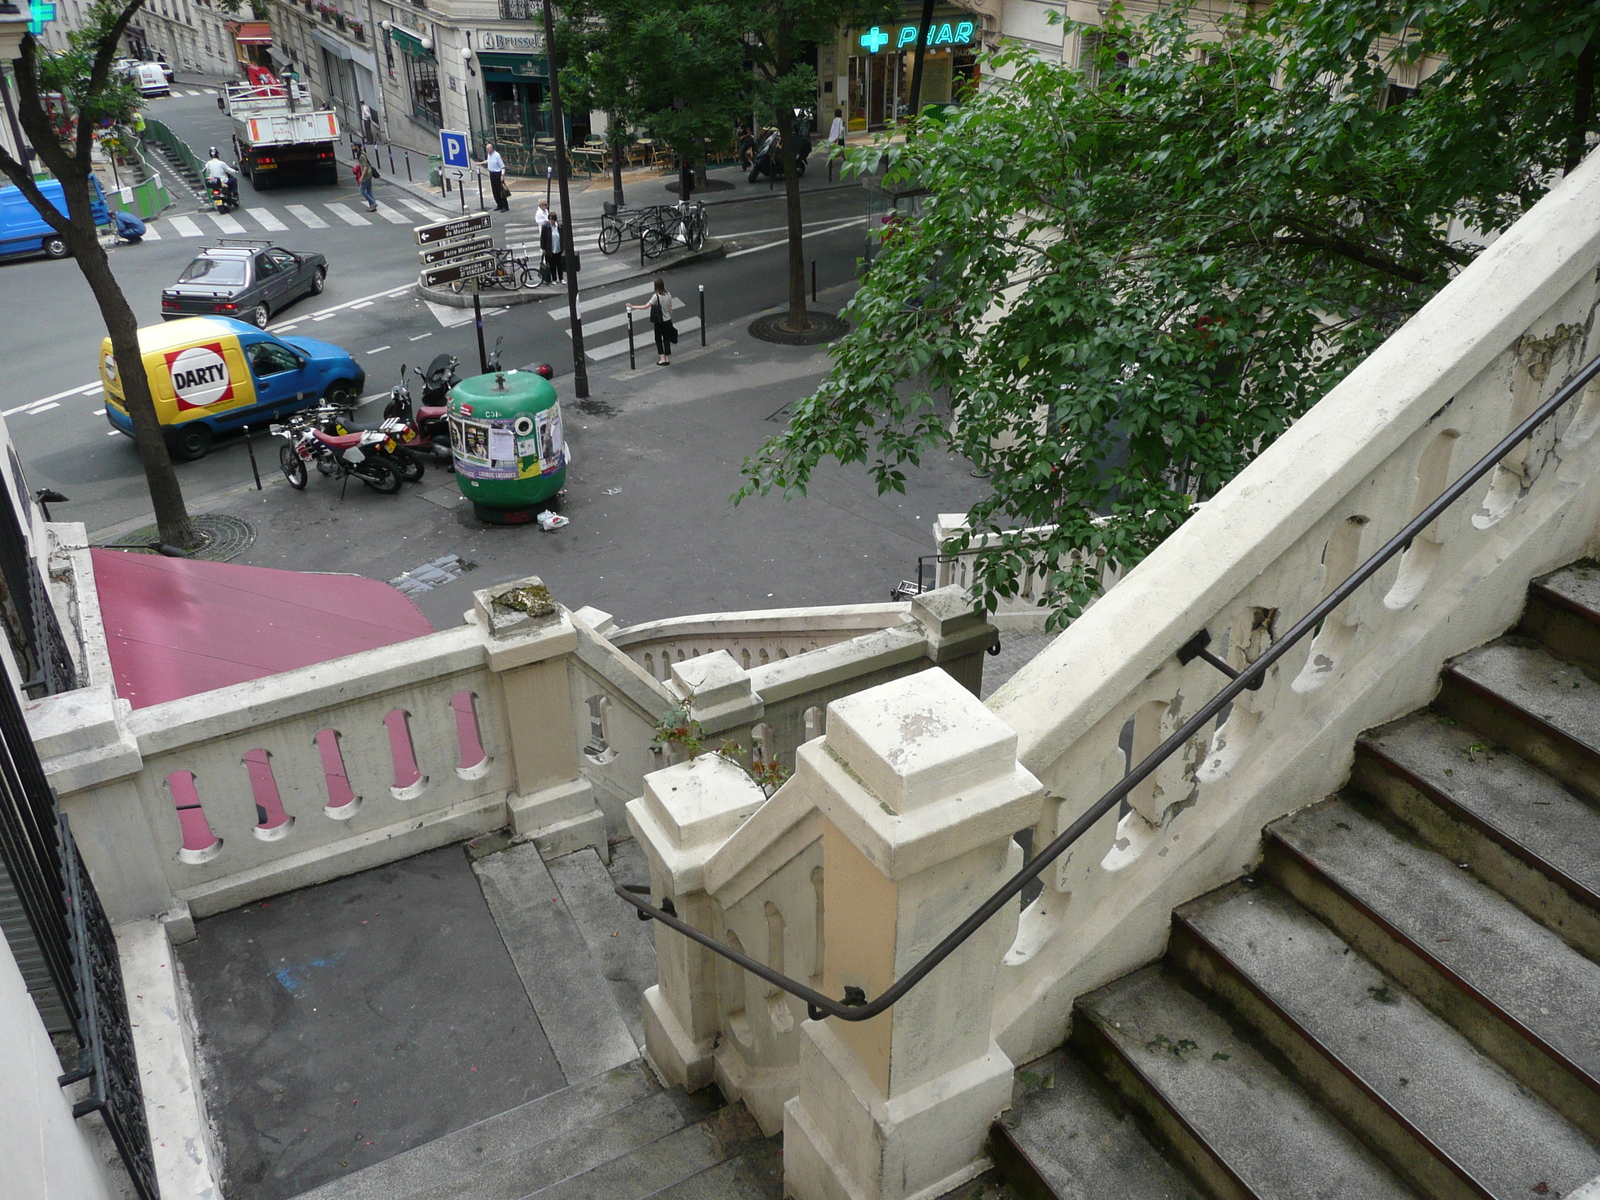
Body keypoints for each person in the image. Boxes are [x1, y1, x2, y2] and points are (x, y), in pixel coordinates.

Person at [627, 277, 677, 366]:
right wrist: (669, 317)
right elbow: (670, 308)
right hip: (667, 321)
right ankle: (667, 358)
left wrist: (633, 306)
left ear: (656, 287)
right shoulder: (668, 295)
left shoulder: (656, 297)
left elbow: (645, 306)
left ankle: (662, 359)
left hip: (659, 322)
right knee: (666, 339)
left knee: (658, 339)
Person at [482, 142, 508, 212]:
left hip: (497, 174)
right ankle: (499, 205)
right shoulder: (489, 155)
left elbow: (502, 166)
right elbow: (489, 161)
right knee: (494, 190)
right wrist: (481, 163)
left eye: (488, 149)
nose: (486, 150)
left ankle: (505, 206)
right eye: (486, 149)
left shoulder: (497, 155)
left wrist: (502, 176)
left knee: (500, 191)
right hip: (492, 173)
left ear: (491, 149)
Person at [540, 213, 564, 283]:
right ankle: (554, 279)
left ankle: (561, 278)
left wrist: (563, 247)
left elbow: (562, 237)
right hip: (550, 249)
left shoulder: (559, 227)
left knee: (559, 264)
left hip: (558, 248)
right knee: (552, 265)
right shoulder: (546, 227)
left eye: (552, 219)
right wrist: (543, 248)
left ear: (555, 220)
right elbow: (542, 238)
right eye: (549, 219)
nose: (550, 221)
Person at [354, 142, 378, 211]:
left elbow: (365, 167)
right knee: (369, 190)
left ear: (357, 147)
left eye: (353, 146)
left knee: (361, 190)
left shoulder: (361, 156)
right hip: (369, 174)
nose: (353, 148)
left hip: (366, 175)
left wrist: (361, 177)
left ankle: (373, 202)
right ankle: (372, 206)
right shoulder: (362, 153)